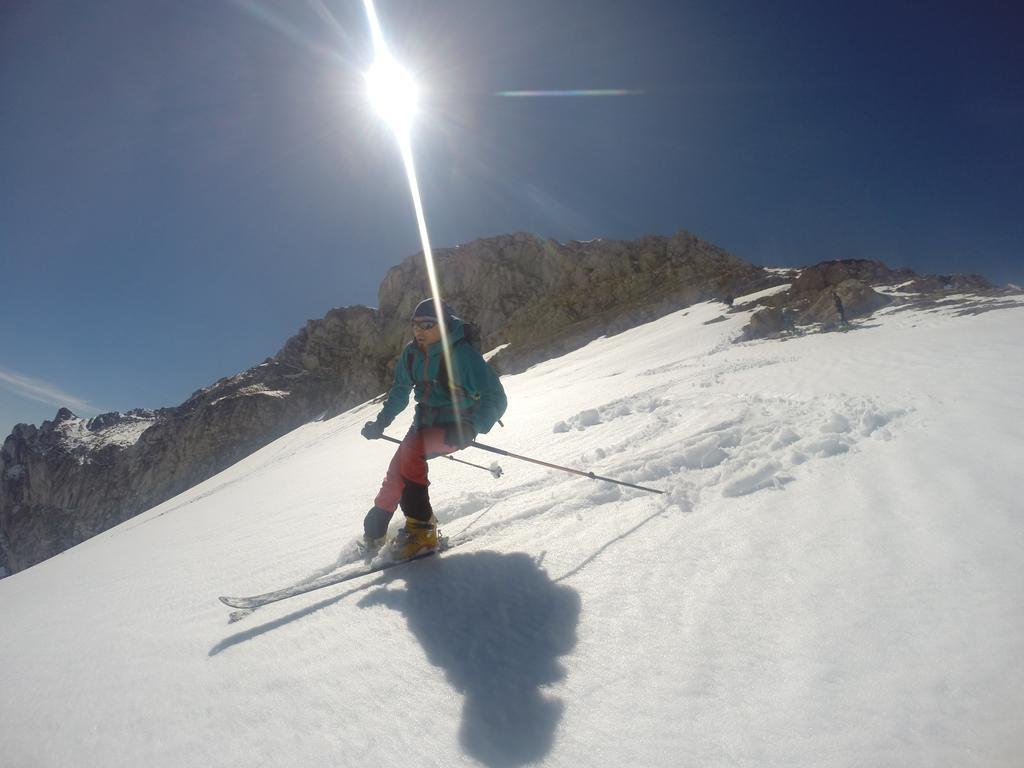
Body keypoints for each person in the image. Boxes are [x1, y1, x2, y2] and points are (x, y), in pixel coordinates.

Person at [359, 299, 507, 560]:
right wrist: (381, 422)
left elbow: (496, 397)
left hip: (455, 427)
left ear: (444, 325)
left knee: (412, 451)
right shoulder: (412, 354)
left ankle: (422, 531)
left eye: (427, 324)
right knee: (396, 473)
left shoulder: (462, 356)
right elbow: (400, 393)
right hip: (423, 425)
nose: (419, 330)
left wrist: (472, 426)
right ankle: (374, 532)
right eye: (415, 324)